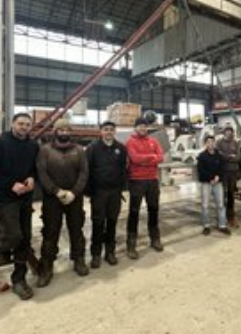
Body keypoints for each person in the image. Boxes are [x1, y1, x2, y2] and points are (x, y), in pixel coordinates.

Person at [36, 119, 89, 287]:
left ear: (70, 132)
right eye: (61, 129)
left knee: (76, 229)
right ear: (55, 131)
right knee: (50, 232)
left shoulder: (79, 150)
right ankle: (47, 266)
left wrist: (74, 192)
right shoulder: (45, 150)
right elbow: (42, 173)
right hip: (52, 199)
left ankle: (78, 259)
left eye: (67, 129)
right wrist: (56, 191)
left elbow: (84, 173)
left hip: (74, 198)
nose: (64, 132)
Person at [0, 113, 38, 300]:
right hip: (6, 198)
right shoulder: (2, 142)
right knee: (14, 236)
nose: (24, 127)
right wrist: (10, 184)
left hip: (26, 198)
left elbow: (34, 169)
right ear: (13, 124)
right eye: (21, 123)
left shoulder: (33, 145)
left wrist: (31, 178)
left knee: (25, 239)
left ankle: (19, 279)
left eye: (27, 124)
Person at [86, 121, 127, 269]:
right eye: (106, 129)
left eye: (111, 129)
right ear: (101, 131)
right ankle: (96, 254)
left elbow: (123, 169)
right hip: (99, 192)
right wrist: (90, 191)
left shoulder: (120, 148)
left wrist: (121, 188)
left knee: (112, 222)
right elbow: (87, 170)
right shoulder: (92, 148)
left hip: (115, 192)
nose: (109, 132)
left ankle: (110, 252)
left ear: (114, 131)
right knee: (98, 223)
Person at [126, 117, 164, 259]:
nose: (143, 128)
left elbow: (161, 157)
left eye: (144, 126)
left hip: (152, 180)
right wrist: (151, 157)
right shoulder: (130, 142)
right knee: (134, 213)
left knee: (153, 210)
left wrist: (145, 159)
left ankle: (155, 239)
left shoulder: (154, 141)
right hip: (136, 181)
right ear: (135, 128)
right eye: (140, 126)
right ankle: (131, 245)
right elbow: (135, 159)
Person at [197, 135, 231, 236]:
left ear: (214, 143)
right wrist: (211, 178)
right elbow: (201, 170)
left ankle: (222, 225)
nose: (210, 144)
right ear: (205, 144)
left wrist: (218, 177)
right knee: (205, 205)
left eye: (212, 142)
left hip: (218, 183)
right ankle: (206, 226)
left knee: (220, 205)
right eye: (208, 142)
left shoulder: (219, 156)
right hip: (206, 183)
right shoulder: (202, 156)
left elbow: (222, 168)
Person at [216, 126, 241, 228]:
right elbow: (219, 155)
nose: (229, 133)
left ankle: (231, 216)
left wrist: (227, 157)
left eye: (230, 131)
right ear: (224, 132)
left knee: (231, 195)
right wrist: (230, 156)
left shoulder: (236, 143)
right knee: (222, 195)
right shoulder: (219, 143)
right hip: (223, 172)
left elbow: (238, 157)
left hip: (233, 172)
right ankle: (221, 217)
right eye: (227, 131)